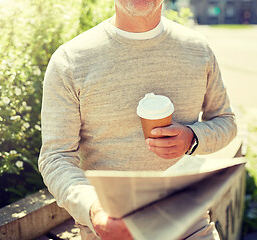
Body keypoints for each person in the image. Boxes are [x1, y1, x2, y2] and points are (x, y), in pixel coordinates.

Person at [38, 0, 237, 239]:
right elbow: (55, 156)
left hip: (191, 227)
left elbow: (226, 121)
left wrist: (192, 138)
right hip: (109, 229)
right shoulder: (70, 60)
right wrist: (94, 209)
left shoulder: (198, 49)